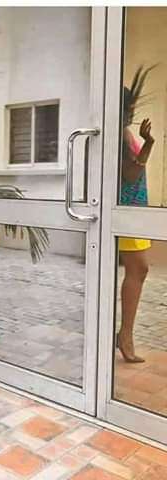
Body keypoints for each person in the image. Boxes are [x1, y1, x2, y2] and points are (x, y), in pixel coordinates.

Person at [117, 74, 155, 363]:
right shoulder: (117, 137)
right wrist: (149, 144)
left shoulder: (125, 133)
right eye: (128, 106)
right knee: (139, 269)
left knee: (138, 270)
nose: (132, 111)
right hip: (124, 212)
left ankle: (123, 334)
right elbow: (130, 174)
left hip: (134, 210)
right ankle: (125, 335)